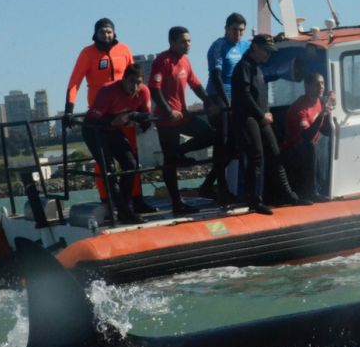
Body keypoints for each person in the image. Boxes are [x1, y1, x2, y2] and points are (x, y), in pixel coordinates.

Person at [65, 18, 156, 213]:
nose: (106, 35)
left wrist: (142, 112)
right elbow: (75, 81)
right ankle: (107, 200)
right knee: (104, 161)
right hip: (102, 113)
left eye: (109, 32)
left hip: (126, 110)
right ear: (95, 34)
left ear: (114, 33)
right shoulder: (87, 53)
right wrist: (69, 109)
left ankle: (136, 198)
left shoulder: (124, 49)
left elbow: (135, 75)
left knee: (131, 157)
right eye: (102, 32)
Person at [231, 34, 309, 215]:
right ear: (255, 48)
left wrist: (266, 113)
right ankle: (254, 201)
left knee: (275, 154)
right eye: (266, 51)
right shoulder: (244, 67)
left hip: (261, 117)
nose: (268, 55)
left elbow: (259, 95)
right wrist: (261, 115)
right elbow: (244, 96)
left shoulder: (257, 67)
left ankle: (289, 194)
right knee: (256, 157)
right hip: (247, 118)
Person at [149, 26, 217, 215]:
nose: (187, 45)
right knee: (170, 163)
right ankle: (177, 203)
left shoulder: (185, 61)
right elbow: (154, 89)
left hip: (183, 117)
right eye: (183, 41)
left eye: (189, 41)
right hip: (166, 120)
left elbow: (195, 84)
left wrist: (209, 102)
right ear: (172, 42)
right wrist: (168, 110)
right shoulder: (162, 61)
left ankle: (180, 151)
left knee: (210, 135)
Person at [81, 64, 151, 225]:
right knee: (109, 171)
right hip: (95, 131)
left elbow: (146, 117)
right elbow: (92, 119)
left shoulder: (143, 91)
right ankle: (125, 211)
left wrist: (133, 116)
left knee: (131, 165)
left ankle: (124, 209)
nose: (134, 87)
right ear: (124, 79)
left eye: (138, 82)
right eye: (131, 82)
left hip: (114, 131)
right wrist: (114, 119)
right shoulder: (108, 91)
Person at [198, 13, 251, 204]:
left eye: (241, 30)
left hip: (237, 98)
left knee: (235, 146)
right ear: (227, 29)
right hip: (218, 97)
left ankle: (208, 184)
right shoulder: (218, 46)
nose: (238, 34)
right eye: (235, 30)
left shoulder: (245, 46)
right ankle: (221, 188)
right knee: (222, 143)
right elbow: (216, 75)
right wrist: (227, 102)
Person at [281, 73, 333, 202]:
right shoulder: (300, 108)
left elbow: (326, 131)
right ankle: (311, 192)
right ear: (307, 86)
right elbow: (306, 136)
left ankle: (325, 185)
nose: (321, 87)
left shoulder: (320, 102)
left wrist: (331, 111)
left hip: (313, 146)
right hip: (294, 150)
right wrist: (322, 114)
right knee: (309, 146)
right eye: (317, 84)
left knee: (327, 140)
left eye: (322, 83)